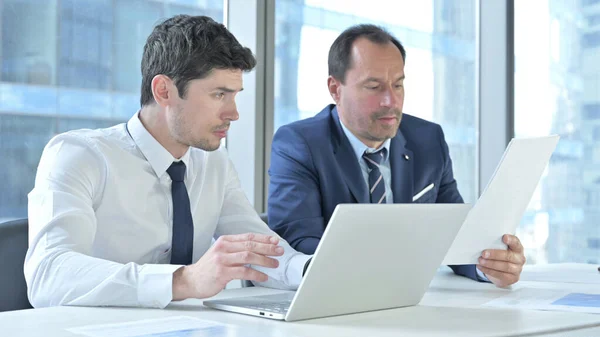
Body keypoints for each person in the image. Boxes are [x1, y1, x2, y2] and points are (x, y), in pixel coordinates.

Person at [25, 15, 311, 309]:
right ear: (163, 91)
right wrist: (184, 280)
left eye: (234, 95)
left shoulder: (214, 164)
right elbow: (48, 274)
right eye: (219, 94)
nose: (233, 113)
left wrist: (312, 270)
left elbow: (259, 251)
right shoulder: (79, 155)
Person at [267, 24, 525, 287]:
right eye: (374, 87)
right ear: (336, 89)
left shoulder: (428, 139)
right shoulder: (299, 144)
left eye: (398, 85)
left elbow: (454, 233)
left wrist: (490, 264)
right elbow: (298, 241)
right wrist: (384, 268)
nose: (390, 101)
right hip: (334, 303)